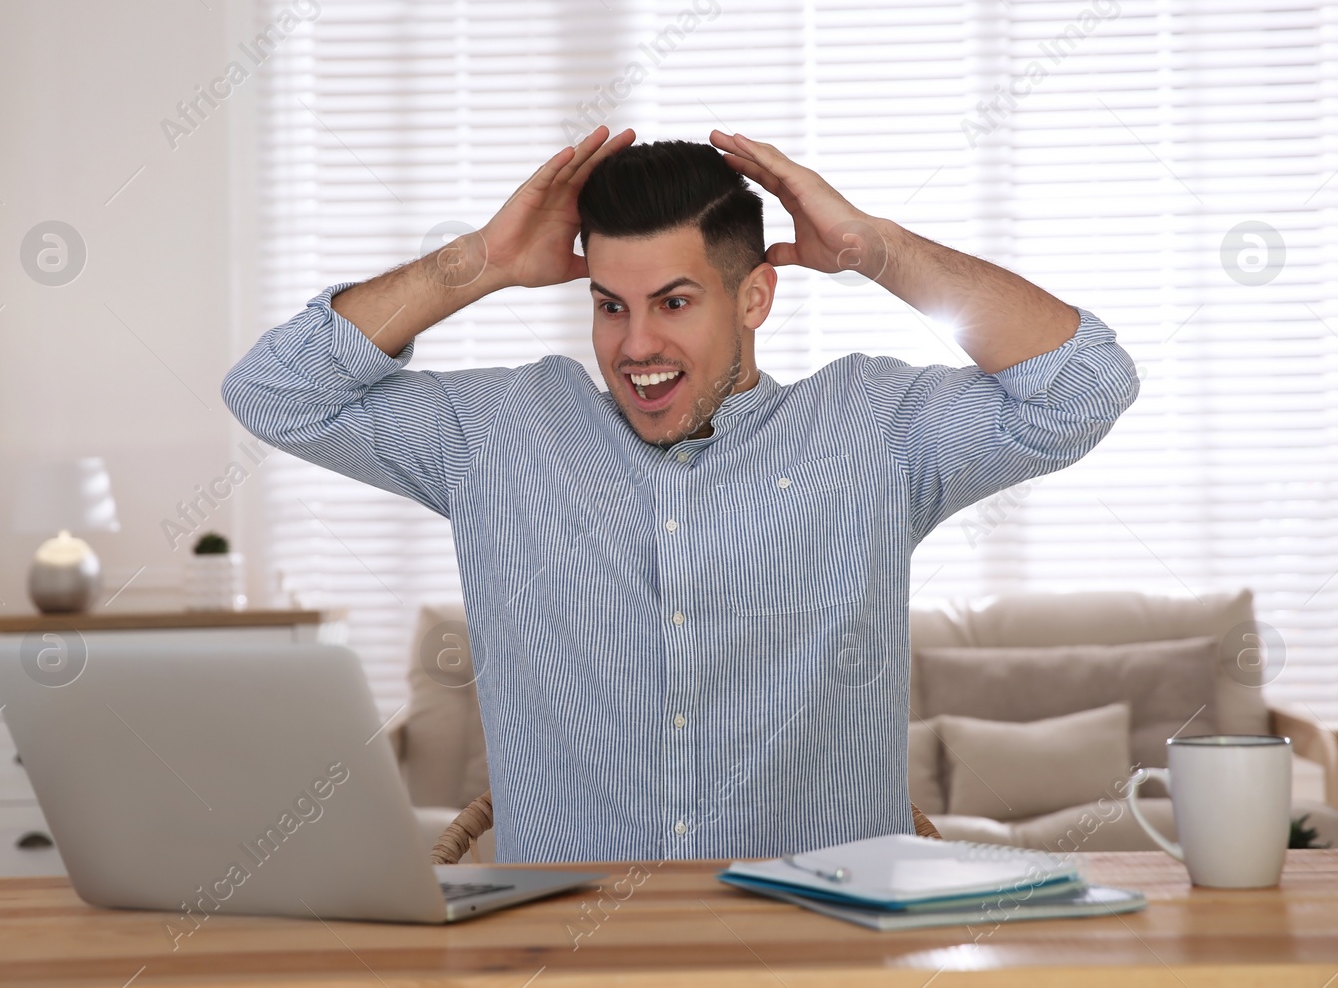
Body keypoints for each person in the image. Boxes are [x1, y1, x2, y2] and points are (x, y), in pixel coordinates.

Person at [222, 126, 1139, 863]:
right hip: (564, 954)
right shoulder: (502, 434)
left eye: (673, 301)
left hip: (826, 951)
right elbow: (273, 391)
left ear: (755, 298)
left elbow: (1084, 385)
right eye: (610, 305)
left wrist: (874, 247)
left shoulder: (874, 429)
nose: (635, 346)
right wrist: (484, 261)